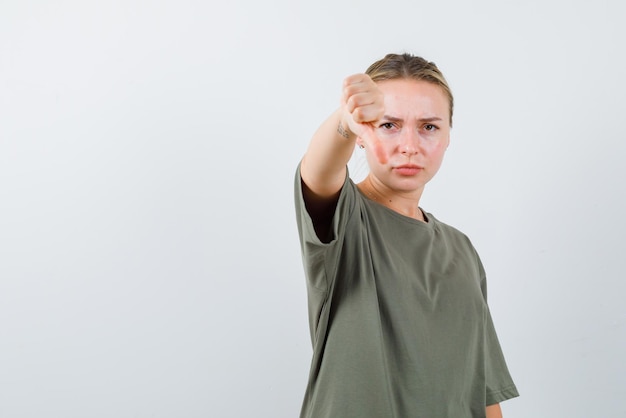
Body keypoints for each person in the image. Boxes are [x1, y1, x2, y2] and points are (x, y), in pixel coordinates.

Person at [294, 53, 519, 418]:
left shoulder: (461, 249)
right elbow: (317, 174)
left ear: (448, 137)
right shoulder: (347, 220)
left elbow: (482, 388)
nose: (410, 145)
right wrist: (344, 123)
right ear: (363, 136)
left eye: (429, 127)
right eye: (388, 125)